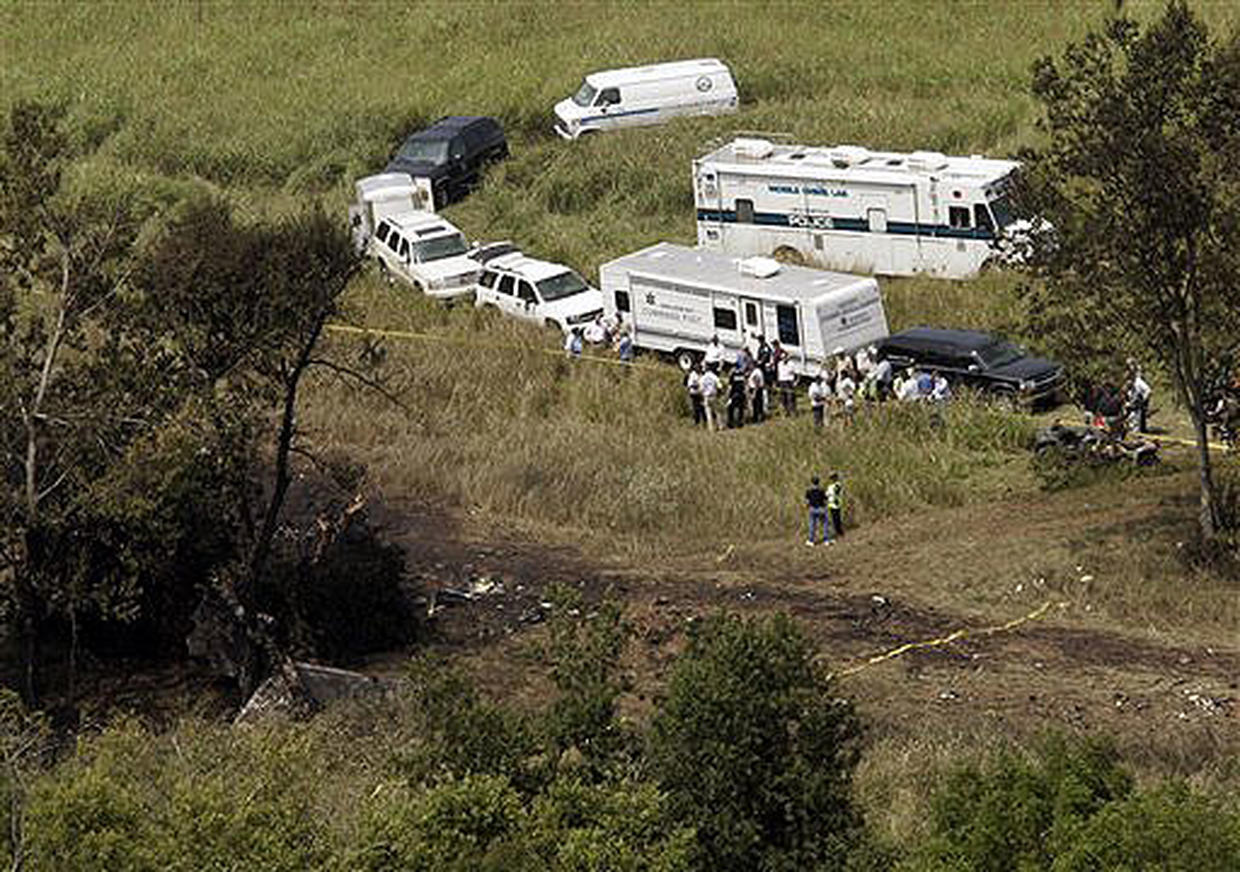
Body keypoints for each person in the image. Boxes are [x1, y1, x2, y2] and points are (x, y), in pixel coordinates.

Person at [805, 475, 831, 546]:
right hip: (821, 508)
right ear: (818, 482)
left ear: (811, 482)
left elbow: (807, 501)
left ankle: (811, 540)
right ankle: (826, 540)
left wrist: (807, 507)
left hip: (812, 509)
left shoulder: (808, 491)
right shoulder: (821, 490)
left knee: (812, 525)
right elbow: (825, 499)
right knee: (825, 524)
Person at [1127, 366, 1152, 433]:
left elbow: (1148, 391)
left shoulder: (1139, 382)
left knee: (1136, 423)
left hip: (1137, 405)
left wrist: (1143, 400)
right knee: (1131, 421)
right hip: (1131, 404)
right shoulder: (1129, 382)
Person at [700, 365, 722, 431]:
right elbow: (720, 386)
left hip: (706, 396)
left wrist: (702, 396)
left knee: (708, 413)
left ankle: (711, 428)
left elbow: (701, 389)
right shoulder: (714, 377)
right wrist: (719, 394)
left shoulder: (702, 378)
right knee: (717, 412)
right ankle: (720, 426)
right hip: (713, 396)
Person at [826, 471, 844, 539]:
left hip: (836, 503)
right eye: (831, 478)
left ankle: (839, 531)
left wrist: (830, 494)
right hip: (831, 503)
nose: (832, 479)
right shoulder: (830, 486)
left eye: (833, 477)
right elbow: (827, 494)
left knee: (837, 518)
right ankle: (837, 531)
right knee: (834, 518)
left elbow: (836, 492)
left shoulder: (837, 485)